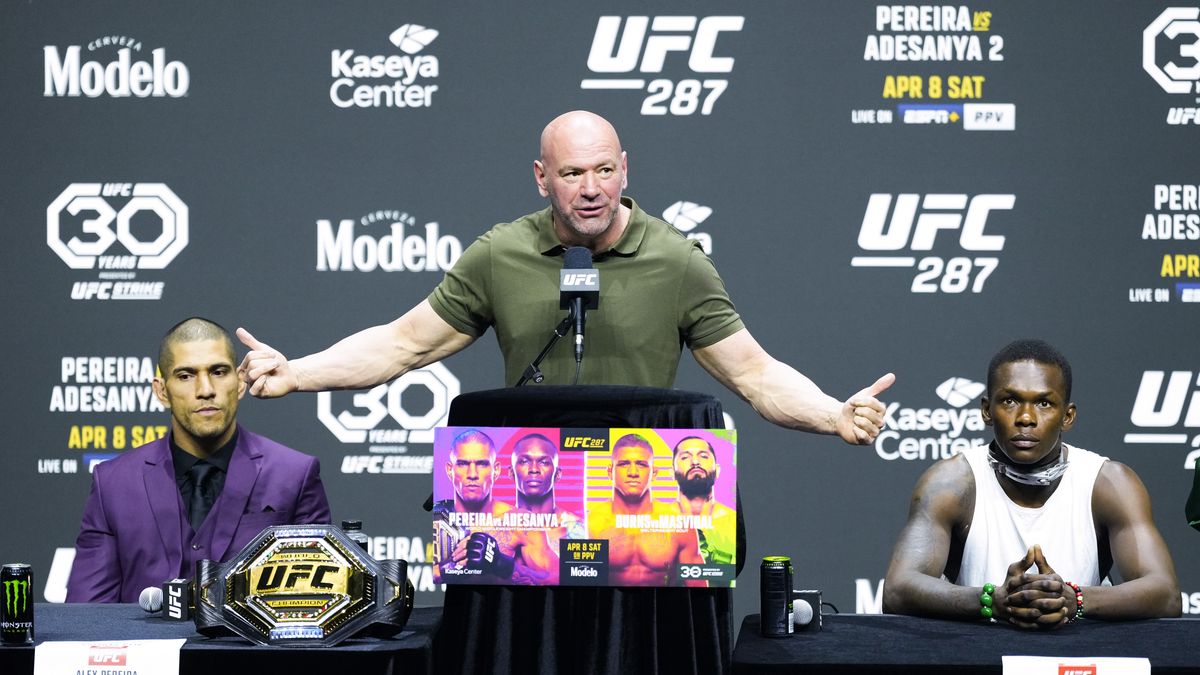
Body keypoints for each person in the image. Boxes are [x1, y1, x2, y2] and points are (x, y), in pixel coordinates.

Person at [236, 110, 893, 447]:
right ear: (541, 177)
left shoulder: (676, 259)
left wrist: (833, 412)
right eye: (572, 173)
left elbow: (754, 373)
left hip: (646, 494)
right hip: (526, 495)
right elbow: (404, 343)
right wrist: (300, 371)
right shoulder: (500, 253)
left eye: (604, 170)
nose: (590, 189)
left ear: (626, 170)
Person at [882, 339, 1181, 628]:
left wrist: (1074, 599)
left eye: (1044, 403)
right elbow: (898, 590)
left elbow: (1165, 594)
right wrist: (991, 601)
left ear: (1068, 416)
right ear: (987, 410)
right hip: (978, 660)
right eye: (1010, 400)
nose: (1026, 418)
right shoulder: (952, 483)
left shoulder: (1108, 483)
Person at [66, 318, 331, 603]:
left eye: (218, 372)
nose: (205, 389)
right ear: (161, 391)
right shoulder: (113, 482)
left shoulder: (294, 474)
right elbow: (88, 615)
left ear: (240, 383)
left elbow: (314, 607)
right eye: (185, 375)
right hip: (150, 648)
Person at [434, 429, 558, 584]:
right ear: (450, 470)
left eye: (482, 464)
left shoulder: (519, 522)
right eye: (463, 464)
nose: (472, 474)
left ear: (496, 470)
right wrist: (448, 569)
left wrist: (500, 563)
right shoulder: (436, 519)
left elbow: (555, 578)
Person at [586, 434, 706, 587]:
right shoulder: (591, 524)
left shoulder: (680, 525)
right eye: (623, 464)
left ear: (654, 473)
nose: (633, 472)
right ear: (610, 472)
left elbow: (700, 592)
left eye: (641, 464)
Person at [509, 432, 585, 552]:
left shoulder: (578, 530)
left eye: (544, 462)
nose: (534, 469)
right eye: (524, 461)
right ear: (511, 472)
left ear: (558, 474)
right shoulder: (496, 526)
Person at [672, 436, 736, 566]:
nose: (695, 461)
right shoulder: (655, 520)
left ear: (717, 470)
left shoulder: (733, 522)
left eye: (703, 456)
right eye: (685, 457)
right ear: (672, 473)